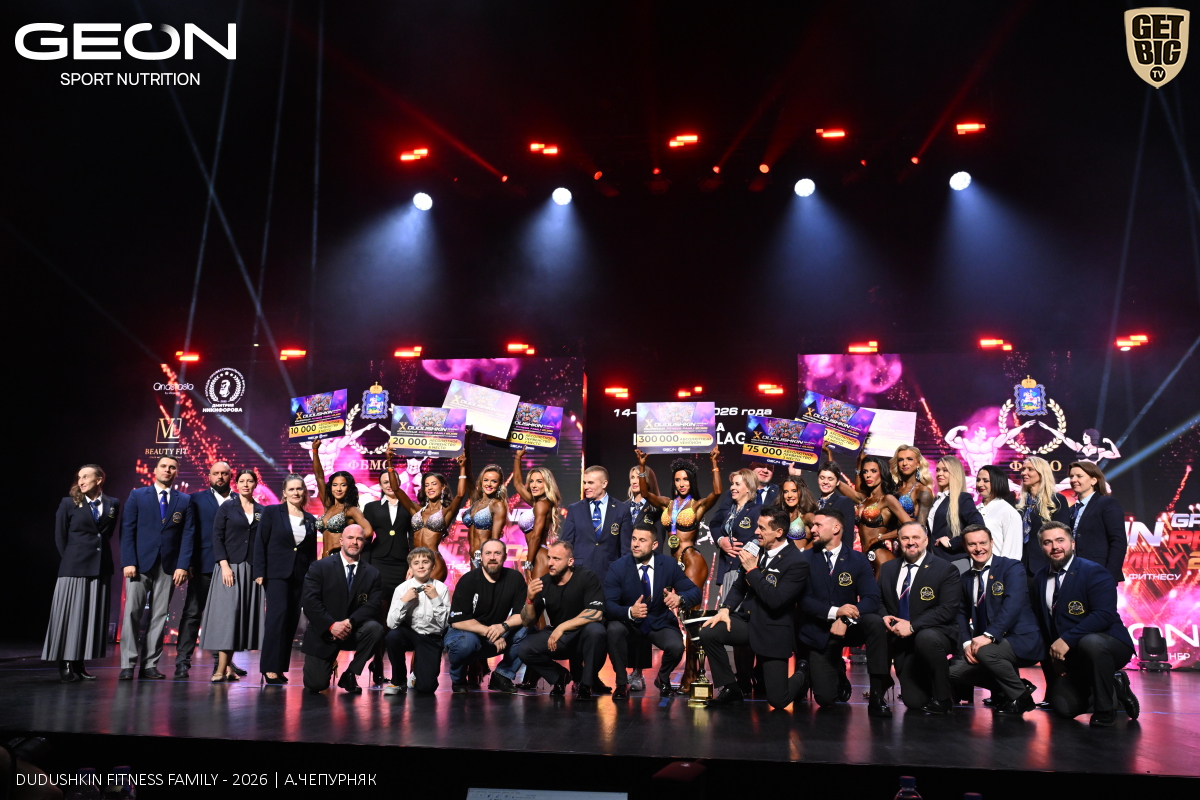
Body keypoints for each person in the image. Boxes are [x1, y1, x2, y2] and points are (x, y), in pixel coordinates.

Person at [700, 506, 810, 709]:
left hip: (772, 630)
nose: (756, 531)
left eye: (762, 528)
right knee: (709, 632)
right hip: (748, 622)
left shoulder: (797, 562)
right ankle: (731, 688)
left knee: (778, 700)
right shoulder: (756, 549)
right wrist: (725, 609)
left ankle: (803, 674)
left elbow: (776, 600)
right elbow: (739, 585)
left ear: (779, 532)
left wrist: (753, 569)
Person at [1031, 521, 1139, 727]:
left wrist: (1066, 640)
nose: (1055, 547)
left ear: (1073, 543)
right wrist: (1054, 656)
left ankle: (1105, 710)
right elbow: (1044, 623)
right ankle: (1114, 686)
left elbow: (1104, 615)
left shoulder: (1094, 571)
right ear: (1042, 547)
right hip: (1073, 654)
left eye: (1060, 540)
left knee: (1091, 642)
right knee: (1064, 708)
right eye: (1047, 542)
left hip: (1109, 644)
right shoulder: (1040, 577)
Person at [796, 508, 893, 717]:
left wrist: (846, 618)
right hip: (820, 631)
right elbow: (803, 600)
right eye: (812, 525)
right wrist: (836, 612)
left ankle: (877, 696)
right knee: (825, 699)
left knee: (875, 622)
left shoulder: (857, 559)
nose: (812, 530)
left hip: (850, 628)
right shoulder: (804, 559)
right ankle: (837, 670)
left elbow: (871, 598)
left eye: (818, 525)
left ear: (836, 528)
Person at [948, 524, 1043, 715]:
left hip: (1021, 640)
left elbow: (1012, 605)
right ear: (965, 547)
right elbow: (960, 613)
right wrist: (966, 643)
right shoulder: (965, 578)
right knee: (953, 671)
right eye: (972, 544)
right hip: (986, 644)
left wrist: (989, 636)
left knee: (986, 652)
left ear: (992, 542)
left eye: (983, 543)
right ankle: (1016, 687)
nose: (978, 548)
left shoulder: (1012, 567)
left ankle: (1021, 698)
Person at [118, 455, 195, 680]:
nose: (167, 470)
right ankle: (127, 664)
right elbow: (127, 530)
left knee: (160, 615)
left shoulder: (184, 500)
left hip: (168, 566)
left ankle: (150, 664)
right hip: (139, 564)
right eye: (163, 466)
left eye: (172, 467)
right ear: (155, 470)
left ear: (176, 472)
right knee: (132, 613)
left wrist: (183, 565)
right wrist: (128, 561)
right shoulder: (137, 495)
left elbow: (188, 535)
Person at [604, 524, 701, 699]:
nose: (635, 544)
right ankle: (621, 683)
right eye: (634, 539)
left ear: (654, 545)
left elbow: (694, 592)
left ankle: (662, 678)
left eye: (642, 540)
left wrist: (680, 598)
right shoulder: (618, 567)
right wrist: (630, 611)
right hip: (629, 622)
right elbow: (609, 605)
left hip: (658, 620)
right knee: (613, 630)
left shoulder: (669, 564)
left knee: (676, 647)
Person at [43, 464, 119, 683]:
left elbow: (106, 534)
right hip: (74, 567)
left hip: (100, 567)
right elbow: (60, 537)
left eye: (86, 477)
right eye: (79, 477)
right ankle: (65, 661)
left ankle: (79, 663)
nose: (81, 481)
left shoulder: (113, 503)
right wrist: (71, 559)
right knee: (70, 616)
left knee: (89, 617)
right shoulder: (69, 503)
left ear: (99, 480)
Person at [879, 521, 962, 714]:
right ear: (898, 541)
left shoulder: (945, 569)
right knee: (914, 701)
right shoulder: (888, 568)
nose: (911, 542)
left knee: (926, 638)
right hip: (901, 639)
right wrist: (884, 616)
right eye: (905, 538)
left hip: (935, 634)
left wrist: (913, 626)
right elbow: (879, 599)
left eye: (916, 537)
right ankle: (927, 686)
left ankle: (943, 698)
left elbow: (947, 610)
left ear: (926, 540)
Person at [300, 525, 384, 693]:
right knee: (316, 684)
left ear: (364, 543)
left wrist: (350, 622)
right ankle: (328, 663)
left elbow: (373, 605)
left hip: (352, 630)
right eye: (350, 538)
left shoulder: (373, 573)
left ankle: (350, 674)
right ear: (341, 541)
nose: (354, 542)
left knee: (375, 629)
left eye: (359, 539)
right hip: (324, 632)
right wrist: (331, 625)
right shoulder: (319, 567)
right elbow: (310, 602)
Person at [199, 469, 266, 682]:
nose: (245, 484)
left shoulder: (262, 511)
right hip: (229, 568)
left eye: (249, 481)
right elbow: (216, 537)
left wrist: (260, 570)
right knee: (227, 618)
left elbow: (263, 543)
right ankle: (220, 669)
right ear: (236, 484)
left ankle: (228, 668)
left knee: (239, 619)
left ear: (255, 484)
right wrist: (224, 565)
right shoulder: (227, 507)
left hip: (251, 570)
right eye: (242, 481)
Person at [519, 541, 608, 698]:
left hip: (582, 636)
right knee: (524, 648)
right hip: (559, 639)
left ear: (570, 561)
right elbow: (528, 622)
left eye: (556, 559)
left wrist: (562, 627)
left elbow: (596, 613)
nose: (550, 563)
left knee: (596, 630)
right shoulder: (543, 583)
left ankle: (586, 684)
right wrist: (529, 600)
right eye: (549, 558)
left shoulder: (587, 577)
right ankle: (559, 676)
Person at [253, 474, 318, 685]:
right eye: (292, 489)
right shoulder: (272, 512)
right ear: (284, 492)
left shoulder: (310, 519)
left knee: (290, 621)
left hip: (300, 576)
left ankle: (280, 667)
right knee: (276, 618)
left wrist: (312, 578)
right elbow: (260, 543)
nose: (296, 493)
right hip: (276, 574)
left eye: (299, 489)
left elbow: (310, 553)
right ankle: (269, 668)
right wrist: (259, 572)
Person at [177, 461, 238, 679]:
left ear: (231, 476)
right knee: (192, 613)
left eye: (224, 473)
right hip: (202, 564)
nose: (220, 477)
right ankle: (182, 662)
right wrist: (187, 563)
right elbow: (188, 532)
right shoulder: (194, 499)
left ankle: (222, 663)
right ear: (209, 476)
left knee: (224, 618)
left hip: (231, 568)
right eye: (215, 473)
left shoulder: (240, 500)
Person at [445, 538, 527, 693]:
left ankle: (501, 676)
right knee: (466, 644)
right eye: (488, 553)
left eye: (497, 553)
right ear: (481, 557)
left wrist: (503, 627)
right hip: (466, 634)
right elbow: (457, 621)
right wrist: (492, 633)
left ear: (504, 556)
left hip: (496, 635)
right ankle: (459, 680)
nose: (492, 557)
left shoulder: (515, 578)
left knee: (528, 631)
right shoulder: (468, 580)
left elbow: (522, 615)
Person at [386, 443, 469, 582]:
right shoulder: (416, 510)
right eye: (426, 485)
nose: (430, 488)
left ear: (443, 487)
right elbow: (396, 489)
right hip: (416, 561)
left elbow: (460, 495)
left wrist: (462, 467)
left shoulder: (446, 512)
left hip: (434, 563)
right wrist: (389, 462)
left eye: (434, 484)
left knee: (430, 595)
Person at [831, 452, 912, 578]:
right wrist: (829, 454)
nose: (868, 475)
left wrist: (880, 538)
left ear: (882, 473)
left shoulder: (887, 499)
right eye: (865, 472)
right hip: (867, 558)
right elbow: (834, 480)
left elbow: (911, 526)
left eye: (873, 471)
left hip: (881, 557)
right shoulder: (863, 500)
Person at [383, 547, 449, 696]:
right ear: (410, 567)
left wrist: (436, 599)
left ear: (433, 566)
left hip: (431, 636)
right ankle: (398, 681)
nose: (421, 566)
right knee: (393, 636)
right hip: (409, 633)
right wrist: (404, 601)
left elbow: (444, 625)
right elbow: (391, 624)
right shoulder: (402, 588)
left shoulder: (441, 588)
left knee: (426, 688)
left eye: (425, 562)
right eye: (416, 563)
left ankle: (417, 675)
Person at [623, 463, 663, 691]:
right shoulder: (622, 507)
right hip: (624, 566)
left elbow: (659, 538)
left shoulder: (655, 508)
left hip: (646, 567)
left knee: (642, 620)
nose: (635, 480)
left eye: (639, 476)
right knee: (625, 620)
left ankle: (637, 672)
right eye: (631, 476)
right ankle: (624, 671)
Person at [562, 465, 634, 582]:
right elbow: (566, 544)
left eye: (590, 483)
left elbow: (625, 548)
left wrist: (625, 575)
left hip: (610, 574)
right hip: (579, 574)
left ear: (604, 484)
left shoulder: (621, 509)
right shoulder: (575, 509)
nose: (586, 487)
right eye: (585, 483)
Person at [1066, 461, 1127, 583]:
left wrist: (1109, 576)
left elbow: (1118, 541)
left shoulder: (1107, 503)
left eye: (1079, 476)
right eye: (1071, 476)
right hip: (1073, 574)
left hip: (1099, 573)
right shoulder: (1070, 510)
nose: (1073, 480)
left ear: (1094, 480)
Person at [310, 441, 374, 556]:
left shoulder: (351, 510)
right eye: (335, 485)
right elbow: (319, 477)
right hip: (324, 559)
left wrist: (346, 543)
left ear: (348, 488)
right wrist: (315, 451)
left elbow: (368, 531)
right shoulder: (328, 505)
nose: (338, 489)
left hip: (341, 558)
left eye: (343, 485)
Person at [511, 446, 562, 580]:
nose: (533, 485)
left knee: (536, 592)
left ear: (547, 484)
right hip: (537, 554)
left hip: (539, 555)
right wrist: (518, 457)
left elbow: (536, 537)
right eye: (531, 481)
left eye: (539, 481)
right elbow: (517, 484)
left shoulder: (541, 504)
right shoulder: (538, 502)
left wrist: (528, 564)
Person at [1016, 457, 1071, 579]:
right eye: (1023, 469)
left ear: (1042, 473)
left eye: (1030, 469)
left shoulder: (1056, 501)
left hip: (1046, 565)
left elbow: (1063, 536)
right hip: (1020, 566)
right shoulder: (1019, 504)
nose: (1024, 473)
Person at [929, 456, 985, 572]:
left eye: (945, 470)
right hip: (934, 560)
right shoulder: (935, 501)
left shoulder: (962, 498)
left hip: (954, 561)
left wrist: (952, 543)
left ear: (955, 473)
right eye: (938, 470)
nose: (939, 473)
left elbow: (978, 525)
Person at [945, 421, 1036, 478]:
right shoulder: (966, 443)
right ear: (976, 433)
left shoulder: (991, 442)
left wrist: (1023, 426)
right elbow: (948, 440)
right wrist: (957, 428)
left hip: (990, 477)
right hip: (972, 477)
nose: (986, 433)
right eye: (983, 431)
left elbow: (1008, 435)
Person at [975, 465, 1023, 562]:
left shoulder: (1008, 513)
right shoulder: (975, 510)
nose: (980, 484)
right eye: (978, 480)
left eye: (985, 480)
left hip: (998, 569)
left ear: (997, 482)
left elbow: (1012, 554)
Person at [466, 461, 509, 568]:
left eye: (493, 481)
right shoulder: (476, 501)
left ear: (499, 484)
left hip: (486, 559)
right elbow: (468, 478)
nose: (488, 484)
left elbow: (495, 540)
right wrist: (464, 460)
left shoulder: (497, 505)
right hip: (472, 557)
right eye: (486, 480)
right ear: (481, 481)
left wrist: (491, 559)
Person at [890, 445, 934, 529]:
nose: (904, 463)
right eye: (900, 460)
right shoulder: (893, 488)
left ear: (918, 464)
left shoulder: (922, 491)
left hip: (907, 536)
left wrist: (883, 536)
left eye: (909, 459)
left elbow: (920, 528)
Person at [1040, 424, 1121, 464]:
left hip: (1091, 476)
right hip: (1079, 475)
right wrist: (1048, 428)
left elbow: (1117, 455)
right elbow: (1063, 437)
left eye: (1085, 437)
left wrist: (1110, 442)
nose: (1083, 439)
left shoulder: (1100, 451)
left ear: (1092, 437)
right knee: (1058, 486)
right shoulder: (1079, 447)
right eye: (1083, 437)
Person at [777, 476, 818, 549]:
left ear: (802, 492)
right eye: (786, 492)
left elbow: (823, 533)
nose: (789, 495)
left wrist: (805, 551)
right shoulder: (780, 515)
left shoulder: (807, 516)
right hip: (780, 555)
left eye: (794, 491)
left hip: (798, 555)